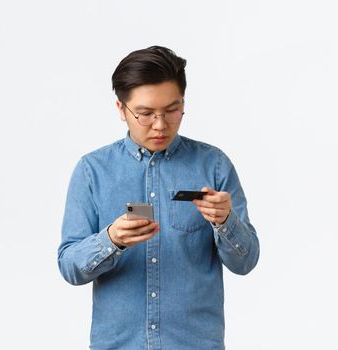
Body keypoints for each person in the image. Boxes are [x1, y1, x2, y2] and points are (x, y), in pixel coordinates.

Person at [57, 45, 260, 350]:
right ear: (121, 109)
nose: (161, 125)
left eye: (172, 110)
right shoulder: (92, 171)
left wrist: (225, 221)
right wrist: (110, 239)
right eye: (145, 114)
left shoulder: (214, 165)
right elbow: (69, 267)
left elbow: (246, 262)